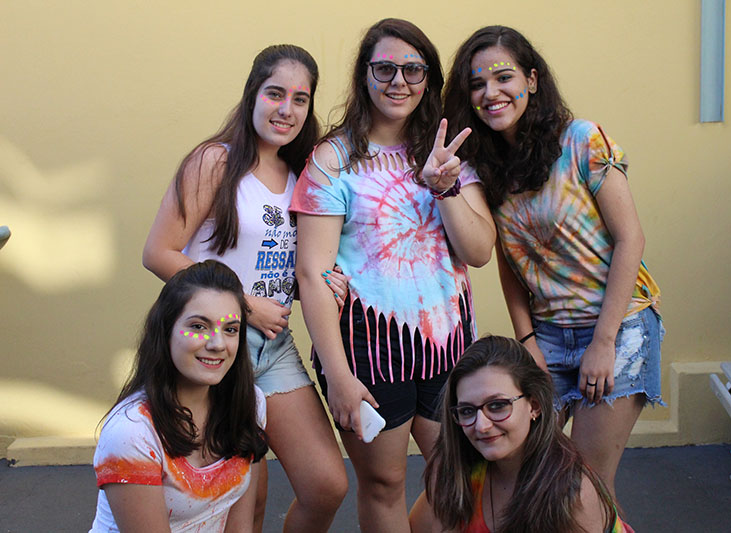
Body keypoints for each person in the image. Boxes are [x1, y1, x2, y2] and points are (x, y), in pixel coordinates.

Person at [441, 25, 664, 499]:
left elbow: (631, 239)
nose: (490, 93)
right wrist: (528, 344)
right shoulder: (486, 166)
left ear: (532, 80)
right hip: (547, 336)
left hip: (619, 327)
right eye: (477, 84)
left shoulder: (582, 141)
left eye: (503, 77)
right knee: (521, 469)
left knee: (586, 484)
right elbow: (509, 263)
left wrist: (603, 342)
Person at [291, 18, 495, 533]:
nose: (398, 81)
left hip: (449, 346)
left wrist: (446, 187)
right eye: (384, 69)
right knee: (384, 484)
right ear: (364, 75)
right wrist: (339, 376)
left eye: (412, 70)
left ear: (428, 79)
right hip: (369, 352)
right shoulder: (332, 160)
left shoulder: (448, 150)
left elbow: (479, 251)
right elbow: (313, 274)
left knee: (461, 474)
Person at [142, 45, 347, 532]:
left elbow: (278, 266)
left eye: (300, 99)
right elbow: (158, 253)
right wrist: (244, 305)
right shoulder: (216, 161)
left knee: (326, 484)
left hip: (274, 347)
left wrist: (322, 282)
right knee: (243, 505)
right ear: (252, 94)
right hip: (215, 342)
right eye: (275, 94)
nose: (286, 109)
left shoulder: (300, 174)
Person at [90, 260, 269, 532]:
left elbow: (240, 526)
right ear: (166, 331)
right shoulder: (132, 432)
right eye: (198, 326)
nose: (217, 344)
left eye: (230, 329)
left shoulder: (249, 403)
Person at [425, 335, 634, 532]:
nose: (481, 425)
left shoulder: (572, 493)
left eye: (497, 406)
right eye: (467, 411)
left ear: (534, 406)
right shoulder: (455, 474)